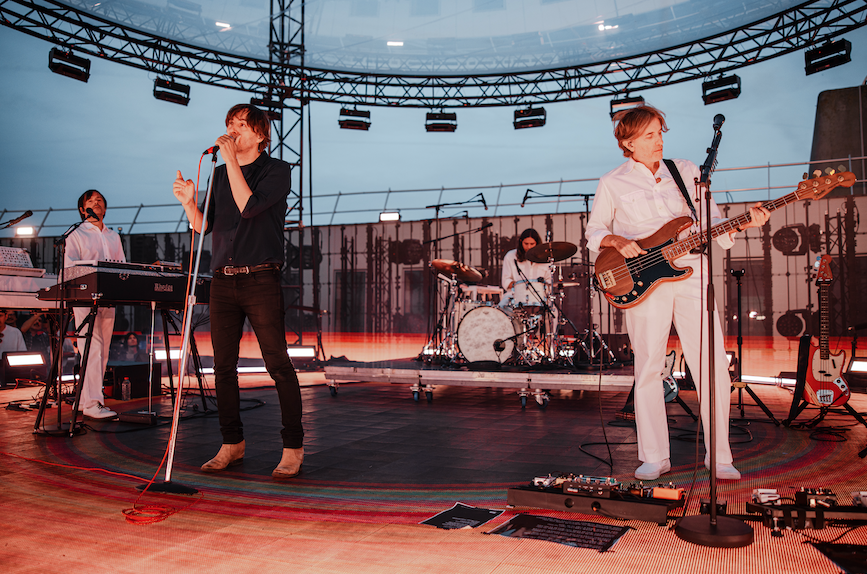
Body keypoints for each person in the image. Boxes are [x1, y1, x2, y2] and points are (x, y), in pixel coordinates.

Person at [585, 104, 769, 481]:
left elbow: (714, 222)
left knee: (712, 363)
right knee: (649, 366)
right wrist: (617, 240)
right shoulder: (612, 182)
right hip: (642, 281)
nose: (659, 141)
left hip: (693, 271)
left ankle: (719, 456)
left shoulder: (685, 171)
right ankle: (654, 456)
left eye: (660, 133)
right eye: (650, 135)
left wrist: (745, 221)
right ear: (628, 141)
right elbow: (594, 234)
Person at [173, 103, 304, 479]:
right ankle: (232, 443)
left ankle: (292, 446)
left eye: (241, 125)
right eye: (229, 124)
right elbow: (204, 228)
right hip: (222, 281)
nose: (232, 130)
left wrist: (230, 162)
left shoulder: (277, 171)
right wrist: (189, 205)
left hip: (260, 278)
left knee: (277, 363)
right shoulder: (218, 175)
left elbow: (249, 207)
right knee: (223, 367)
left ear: (261, 134)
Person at [63, 190, 126, 420]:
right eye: (90, 201)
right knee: (93, 347)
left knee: (103, 350)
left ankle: (83, 399)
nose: (95, 203)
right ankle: (93, 403)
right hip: (85, 298)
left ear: (105, 208)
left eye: (99, 200)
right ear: (82, 209)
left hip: (108, 298)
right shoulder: (76, 234)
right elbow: (69, 267)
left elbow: (121, 265)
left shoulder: (113, 236)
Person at [500, 228, 552, 309]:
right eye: (526, 243)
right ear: (521, 242)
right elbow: (505, 280)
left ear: (537, 243)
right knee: (501, 309)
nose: (529, 247)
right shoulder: (511, 256)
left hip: (540, 298)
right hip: (515, 296)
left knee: (553, 312)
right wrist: (519, 286)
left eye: (532, 244)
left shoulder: (545, 259)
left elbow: (549, 282)